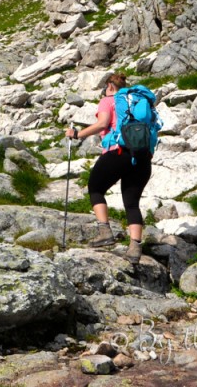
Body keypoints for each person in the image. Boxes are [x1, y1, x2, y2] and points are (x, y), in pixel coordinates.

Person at [65, 72, 152, 264]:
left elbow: (103, 123)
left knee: (95, 188)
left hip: (118, 152)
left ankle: (104, 232)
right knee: (132, 203)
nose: (104, 91)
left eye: (105, 87)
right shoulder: (138, 102)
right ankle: (135, 248)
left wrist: (77, 134)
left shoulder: (108, 100)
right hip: (142, 156)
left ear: (110, 86)